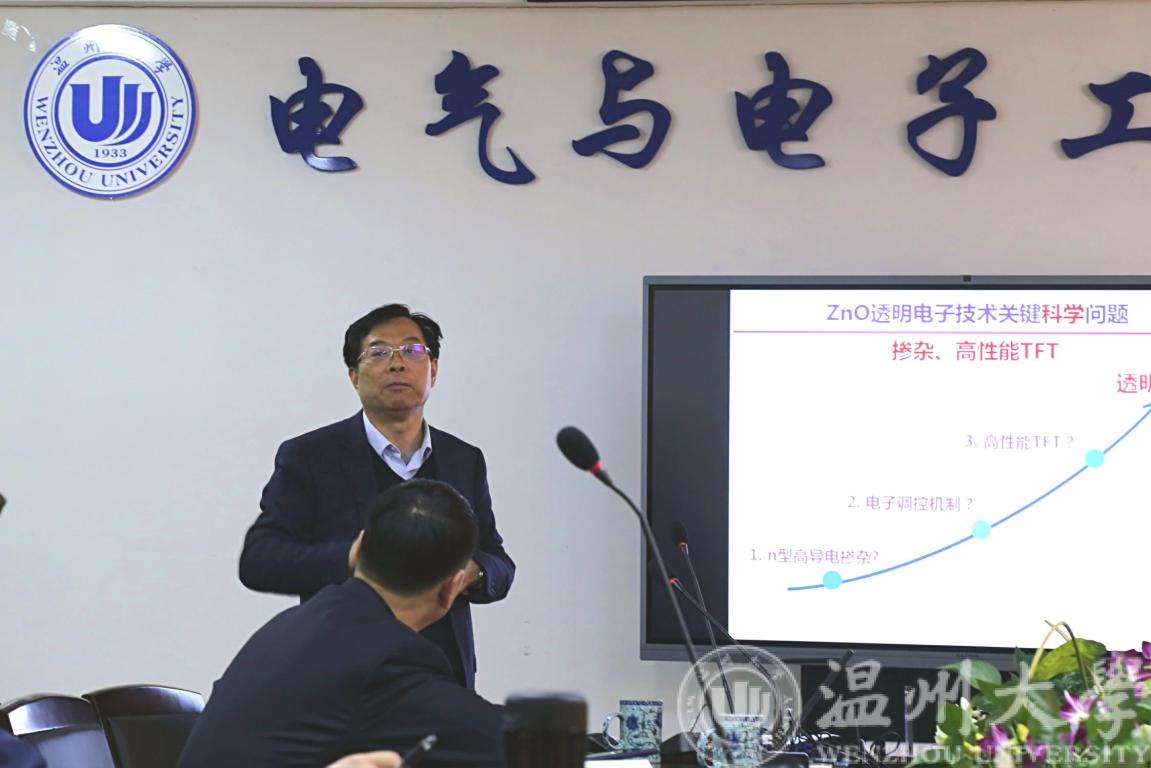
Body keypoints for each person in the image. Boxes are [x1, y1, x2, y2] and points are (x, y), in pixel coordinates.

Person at [239, 304, 515, 689]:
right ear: (354, 375)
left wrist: (473, 572)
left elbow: (498, 561)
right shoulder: (311, 456)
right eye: (379, 352)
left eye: (412, 350)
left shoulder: (463, 459)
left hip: (443, 675)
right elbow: (260, 559)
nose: (398, 363)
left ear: (433, 370)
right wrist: (354, 557)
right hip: (343, 678)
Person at [180, 480, 507, 768]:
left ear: (359, 547)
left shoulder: (294, 625)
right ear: (453, 586)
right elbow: (502, 742)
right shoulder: (387, 661)